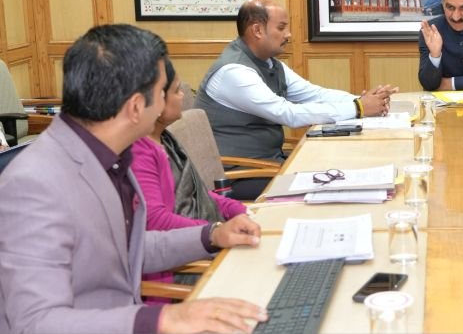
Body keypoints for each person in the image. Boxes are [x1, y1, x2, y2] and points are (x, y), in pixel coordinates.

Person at [0, 24, 266, 334]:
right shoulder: (33, 185)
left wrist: (211, 235)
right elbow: (34, 323)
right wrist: (165, 319)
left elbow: (130, 249)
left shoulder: (106, 156)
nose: (169, 102)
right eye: (163, 92)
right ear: (137, 107)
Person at [195, 0, 397, 197]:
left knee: (340, 167)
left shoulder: (270, 63)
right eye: (281, 28)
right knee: (331, 186)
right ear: (257, 30)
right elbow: (288, 114)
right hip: (238, 175)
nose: (289, 34)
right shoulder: (234, 72)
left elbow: (314, 94)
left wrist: (361, 100)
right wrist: (358, 107)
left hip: (268, 163)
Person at [132, 58, 249, 300]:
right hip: (183, 265)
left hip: (206, 241)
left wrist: (239, 210)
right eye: (176, 91)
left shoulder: (165, 138)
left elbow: (198, 193)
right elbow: (155, 221)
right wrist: (214, 231)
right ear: (155, 101)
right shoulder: (139, 151)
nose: (183, 96)